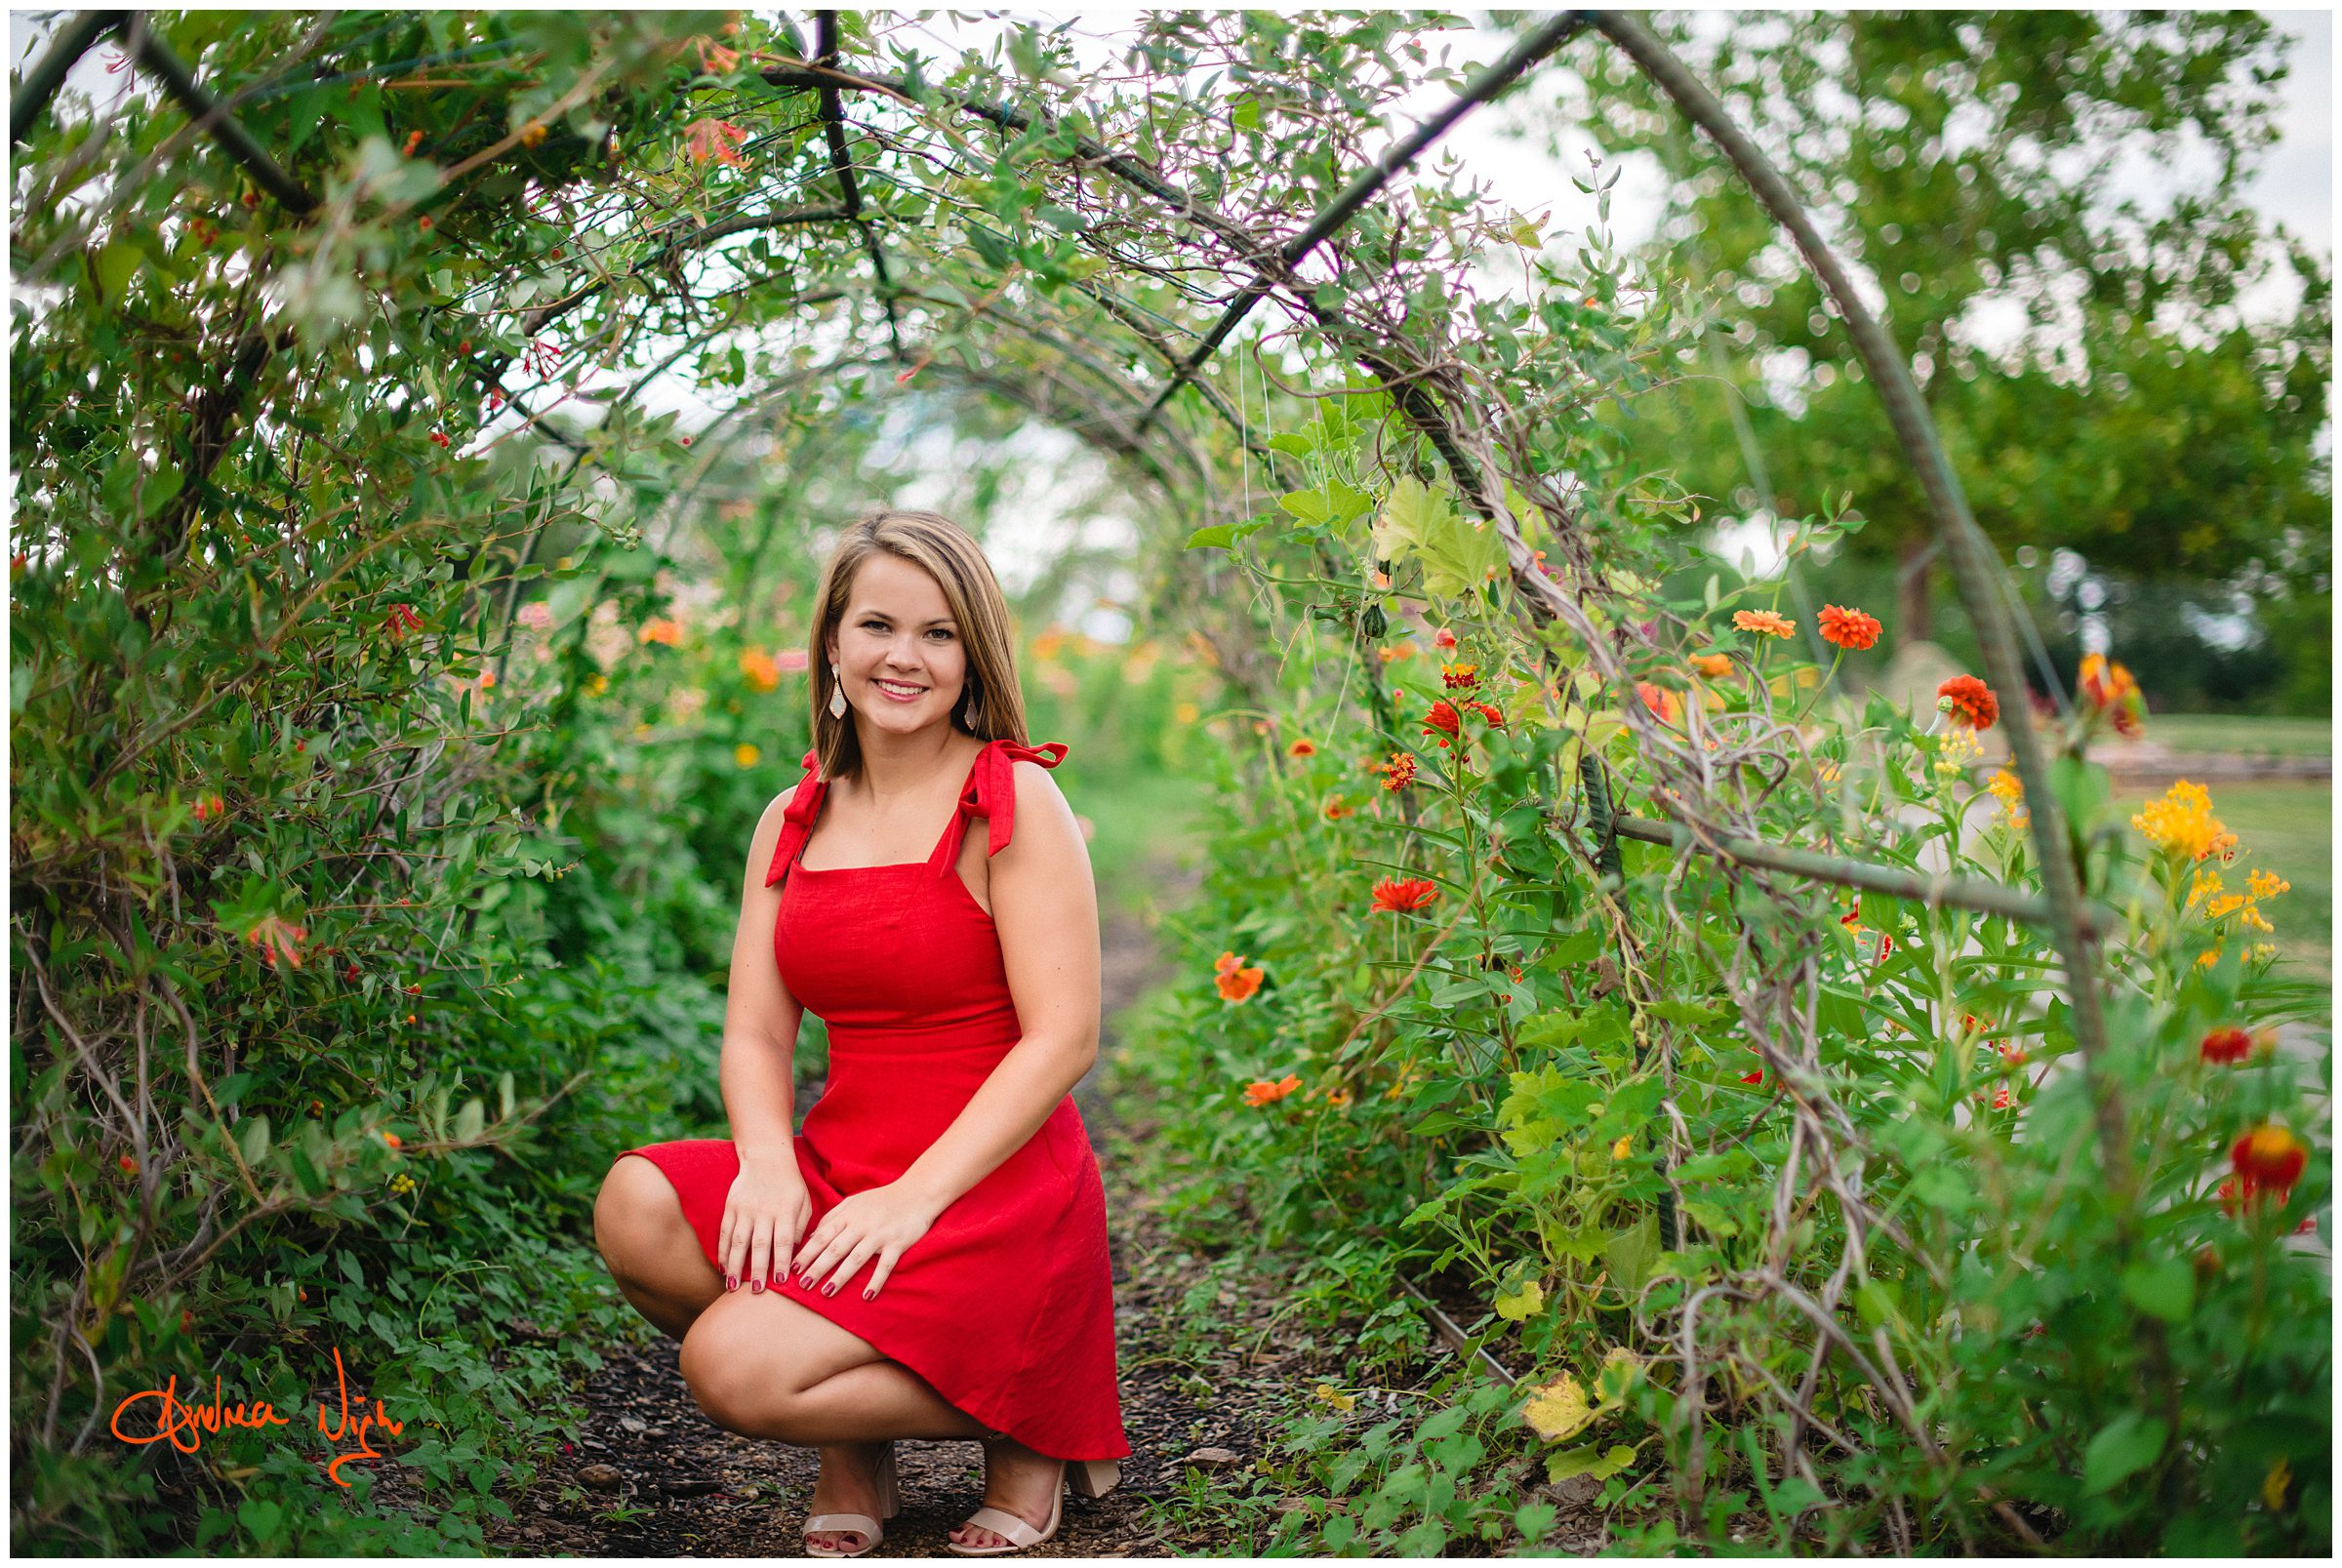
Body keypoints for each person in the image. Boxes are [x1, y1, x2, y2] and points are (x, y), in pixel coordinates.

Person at [593, 508, 1128, 1557]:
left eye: (938, 632)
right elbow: (755, 1032)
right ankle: (863, 1444)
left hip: (988, 1190)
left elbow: (1064, 1038)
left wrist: (912, 1197)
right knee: (636, 1203)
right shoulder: (794, 814)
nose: (904, 656)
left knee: (732, 1365)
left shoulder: (1010, 797)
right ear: (832, 642)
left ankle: (1033, 1426)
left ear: (973, 654)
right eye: (878, 623)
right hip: (845, 1170)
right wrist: (764, 1160)